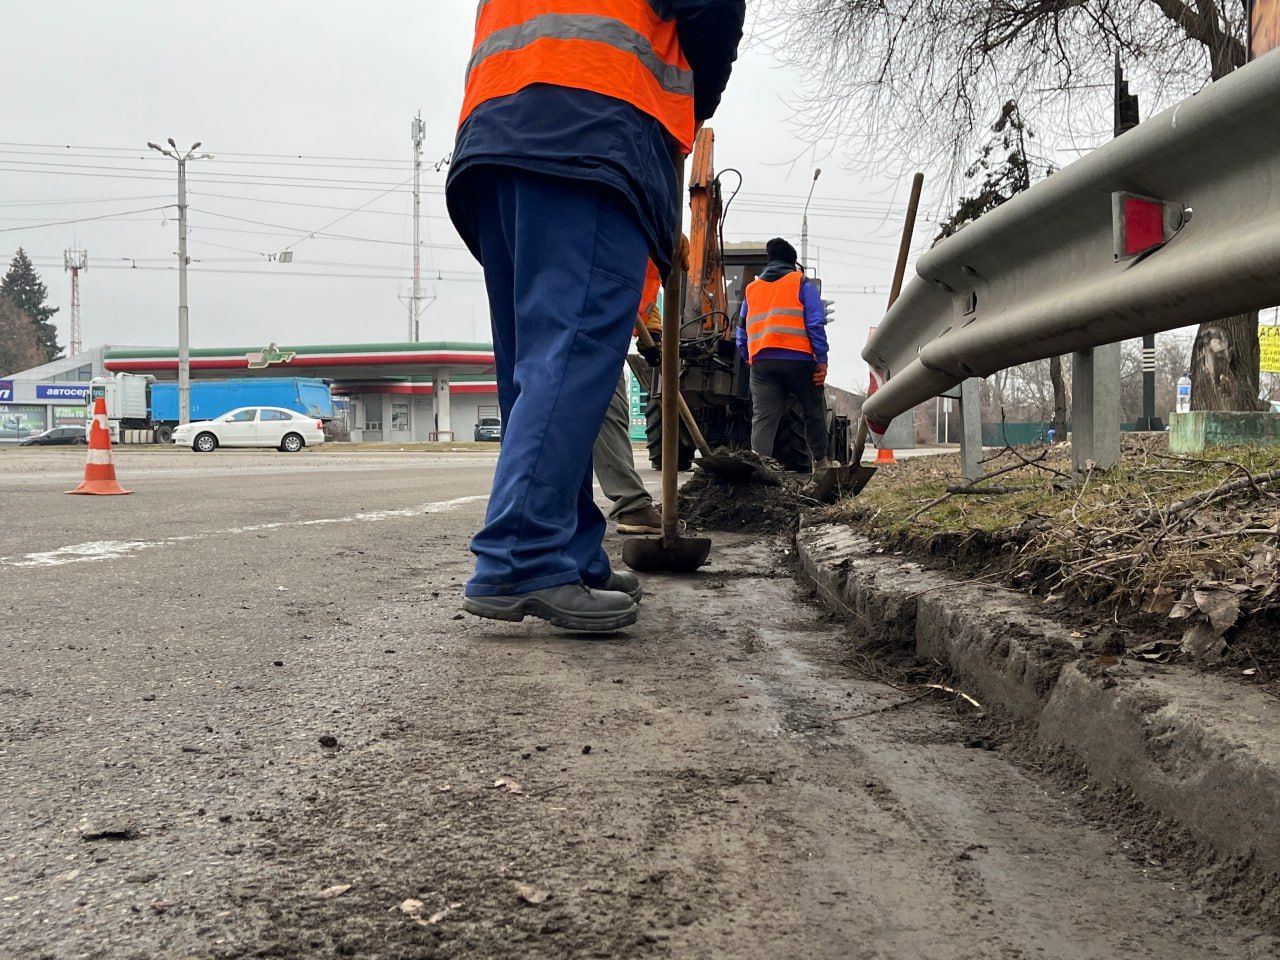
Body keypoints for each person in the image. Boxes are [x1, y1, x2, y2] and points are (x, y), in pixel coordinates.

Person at [447, 0, 746, 631]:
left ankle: (571, 548)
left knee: (538, 368)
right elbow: (711, 10)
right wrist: (694, 105)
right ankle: (522, 557)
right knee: (570, 360)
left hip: (494, 132)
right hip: (590, 121)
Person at [735, 237, 835, 470]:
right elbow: (815, 324)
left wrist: (751, 359)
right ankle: (821, 465)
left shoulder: (752, 289)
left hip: (762, 363)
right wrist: (821, 361)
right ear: (793, 262)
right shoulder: (802, 283)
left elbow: (741, 333)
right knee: (813, 410)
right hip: (799, 361)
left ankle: (759, 471)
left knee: (762, 419)